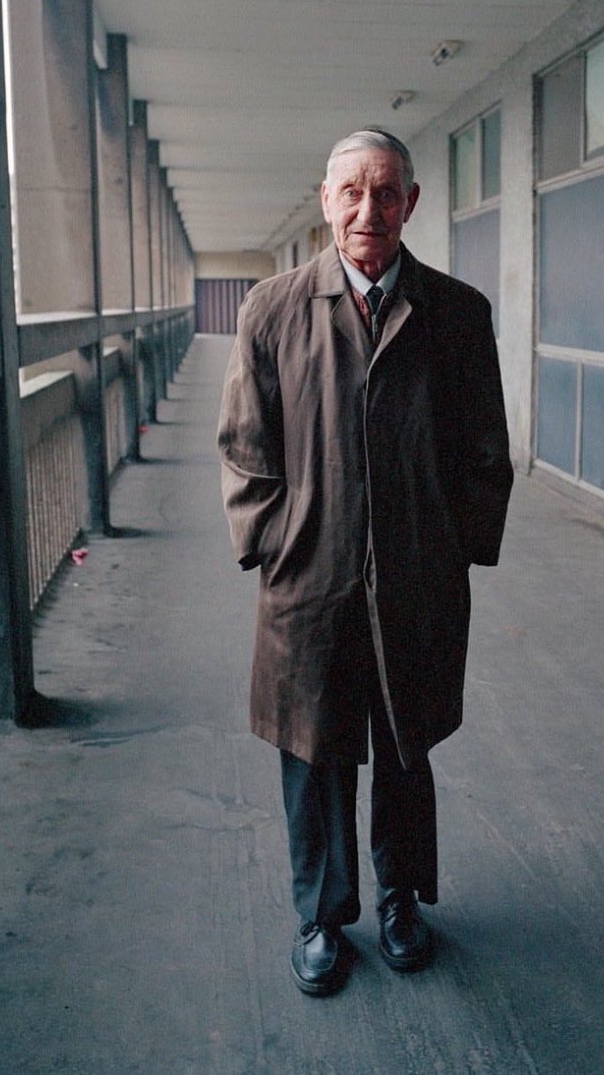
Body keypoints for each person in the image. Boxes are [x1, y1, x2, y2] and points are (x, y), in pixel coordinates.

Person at [217, 128, 513, 996]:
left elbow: (484, 449)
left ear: (410, 203)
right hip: (308, 575)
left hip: (416, 578)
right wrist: (275, 543)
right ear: (325, 201)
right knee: (311, 749)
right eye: (351, 191)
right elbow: (243, 444)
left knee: (404, 746)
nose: (367, 210)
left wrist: (452, 547)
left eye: (386, 193)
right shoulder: (272, 309)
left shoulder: (455, 313)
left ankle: (399, 900)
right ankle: (321, 916)